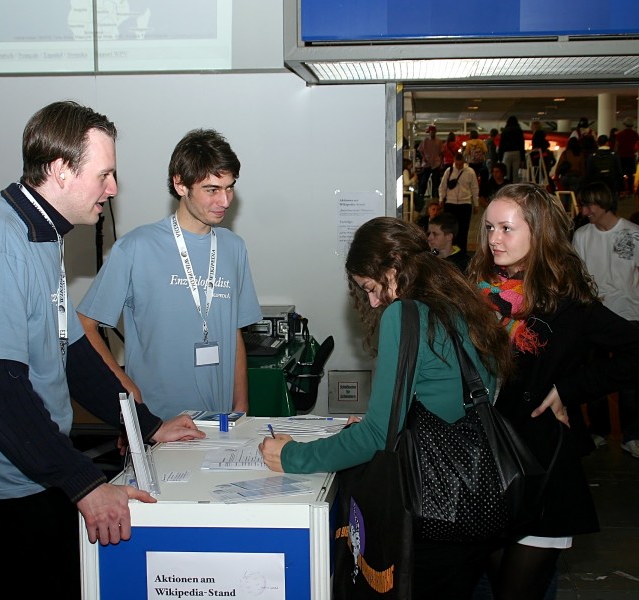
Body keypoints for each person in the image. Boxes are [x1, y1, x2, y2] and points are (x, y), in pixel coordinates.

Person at [0, 101, 205, 599]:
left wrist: (146, 424)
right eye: (105, 174)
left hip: (26, 464)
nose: (113, 189)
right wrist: (86, 485)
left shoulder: (41, 237)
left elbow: (71, 353)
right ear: (61, 170)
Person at [259, 216, 512, 599]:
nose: (374, 301)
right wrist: (402, 421)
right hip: (476, 497)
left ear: (394, 268)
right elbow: (461, 395)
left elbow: (377, 435)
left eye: (372, 288)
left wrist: (292, 456)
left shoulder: (404, 315)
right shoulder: (457, 300)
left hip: (434, 505)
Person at [467, 183, 639, 600]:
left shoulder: (566, 302)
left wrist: (570, 388)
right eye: (489, 227)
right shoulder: (472, 291)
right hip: (480, 468)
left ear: (539, 232)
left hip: (541, 469)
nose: (493, 239)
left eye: (506, 229)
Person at [77, 128, 262, 421]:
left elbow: (234, 330)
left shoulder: (233, 248)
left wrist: (241, 406)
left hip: (221, 422)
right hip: (158, 423)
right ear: (180, 184)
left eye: (230, 187)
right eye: (212, 190)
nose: (225, 201)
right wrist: (125, 389)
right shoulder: (136, 247)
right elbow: (84, 326)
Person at [573, 181, 639, 458]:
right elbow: (577, 276)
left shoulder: (633, 234)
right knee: (595, 376)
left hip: (630, 314)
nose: (585, 210)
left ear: (604, 203)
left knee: (632, 379)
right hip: (594, 316)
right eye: (584, 204)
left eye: (589, 205)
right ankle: (598, 430)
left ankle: (632, 435)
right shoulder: (581, 235)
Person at [439, 151, 479, 254]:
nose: (458, 166)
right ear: (454, 161)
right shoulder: (449, 171)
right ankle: (450, 250)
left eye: (460, 164)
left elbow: (474, 188)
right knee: (450, 229)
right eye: (457, 163)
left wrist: (476, 203)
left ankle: (462, 252)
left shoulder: (470, 172)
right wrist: (441, 199)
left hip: (465, 203)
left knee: (463, 230)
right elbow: (443, 186)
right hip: (450, 203)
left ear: (464, 161)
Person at [583, 135, 623, 201]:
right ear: (607, 142)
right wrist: (621, 187)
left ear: (598, 143)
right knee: (611, 202)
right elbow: (619, 172)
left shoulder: (592, 156)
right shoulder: (614, 155)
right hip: (611, 183)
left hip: (597, 184)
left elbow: (588, 173)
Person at [417, 124, 445, 211]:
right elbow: (420, 150)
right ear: (429, 132)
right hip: (427, 163)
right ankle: (421, 195)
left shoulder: (439, 141)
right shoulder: (425, 141)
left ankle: (435, 196)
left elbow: (441, 152)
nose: (432, 133)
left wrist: (440, 161)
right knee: (424, 180)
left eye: (433, 132)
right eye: (431, 132)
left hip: (435, 163)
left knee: (436, 181)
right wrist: (424, 157)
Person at [615, 117, 639, 196]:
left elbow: (617, 146)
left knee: (621, 173)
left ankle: (621, 189)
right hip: (631, 156)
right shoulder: (635, 134)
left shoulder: (620, 134)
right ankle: (630, 190)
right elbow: (636, 146)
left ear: (624, 125)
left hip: (621, 156)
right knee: (631, 174)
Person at [498, 116, 525, 184]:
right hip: (517, 153)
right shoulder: (519, 131)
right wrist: (522, 158)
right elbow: (522, 144)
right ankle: (515, 188)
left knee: (506, 173)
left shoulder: (505, 131)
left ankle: (506, 187)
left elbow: (501, 145)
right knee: (515, 173)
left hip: (507, 153)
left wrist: (500, 157)